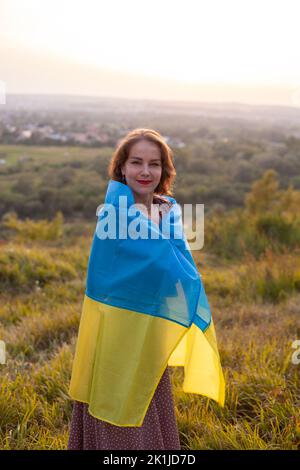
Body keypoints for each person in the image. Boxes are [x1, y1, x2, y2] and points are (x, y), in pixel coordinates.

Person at [67, 128, 225, 450]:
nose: (145, 171)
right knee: (115, 403)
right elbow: (106, 278)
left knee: (147, 397)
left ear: (164, 170)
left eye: (154, 164)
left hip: (150, 329)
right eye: (136, 162)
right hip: (115, 331)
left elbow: (180, 269)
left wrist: (178, 277)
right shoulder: (114, 214)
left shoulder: (169, 211)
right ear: (122, 167)